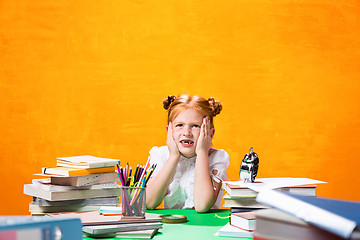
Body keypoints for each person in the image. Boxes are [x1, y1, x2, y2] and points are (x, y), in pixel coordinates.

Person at [146, 94, 230, 213]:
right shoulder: (160, 155)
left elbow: (202, 206)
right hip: (171, 227)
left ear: (210, 134)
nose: (187, 133)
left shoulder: (218, 158)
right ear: (169, 131)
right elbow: (149, 202)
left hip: (206, 227)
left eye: (195, 126)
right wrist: (174, 157)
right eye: (180, 125)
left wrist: (202, 152)